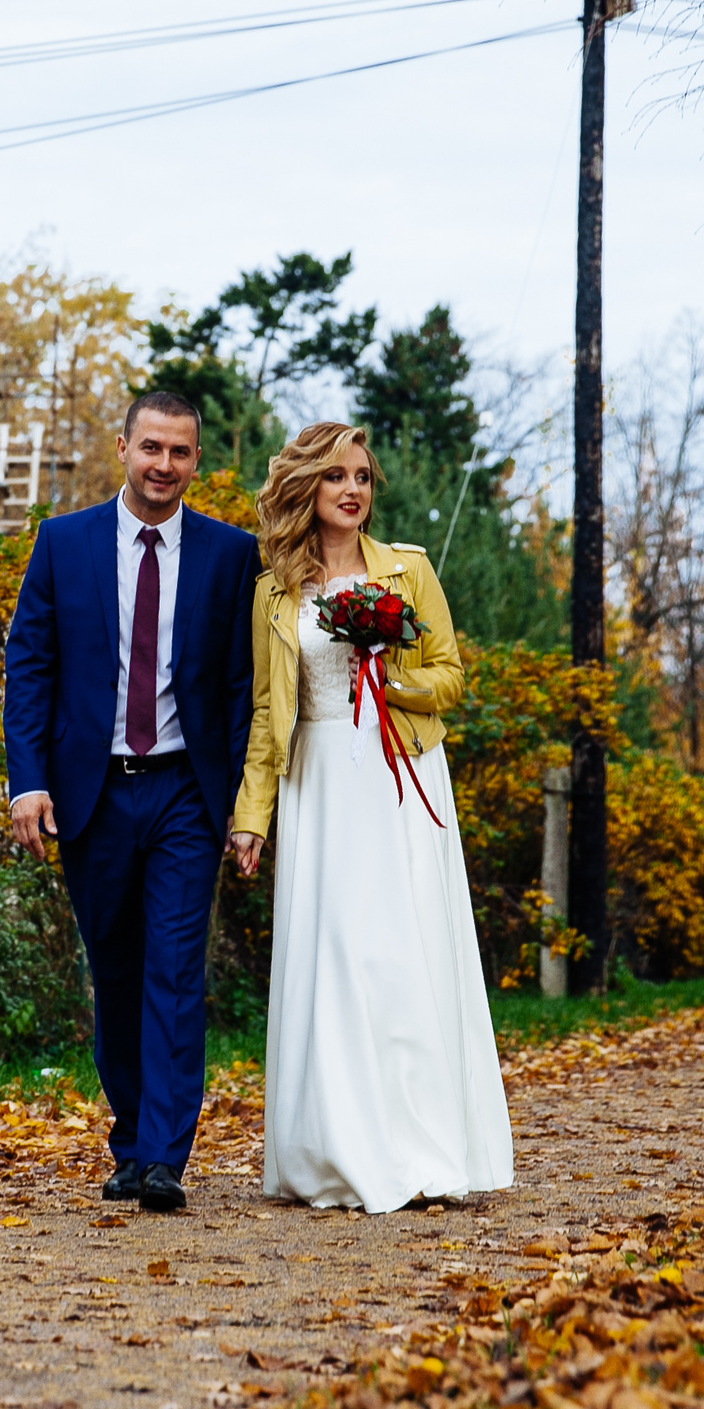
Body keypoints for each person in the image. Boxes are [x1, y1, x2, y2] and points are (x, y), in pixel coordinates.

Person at [226, 422, 514, 1213]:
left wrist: (396, 682)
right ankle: (335, 1149)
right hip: (321, 785)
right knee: (337, 959)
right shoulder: (275, 592)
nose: (353, 489)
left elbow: (451, 675)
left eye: (362, 476)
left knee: (401, 955)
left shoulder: (409, 571)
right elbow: (264, 710)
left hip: (401, 774)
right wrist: (252, 817)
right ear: (306, 490)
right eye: (335, 477)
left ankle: (419, 1148)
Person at [3, 393, 262, 1213]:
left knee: (176, 969)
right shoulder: (64, 542)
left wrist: (244, 801)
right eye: (151, 446)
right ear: (122, 447)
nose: (164, 464)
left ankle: (163, 1155)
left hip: (187, 791)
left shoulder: (231, 555)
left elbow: (240, 685)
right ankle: (129, 1140)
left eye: (180, 452)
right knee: (113, 971)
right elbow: (30, 664)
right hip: (94, 792)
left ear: (195, 461)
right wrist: (27, 778)